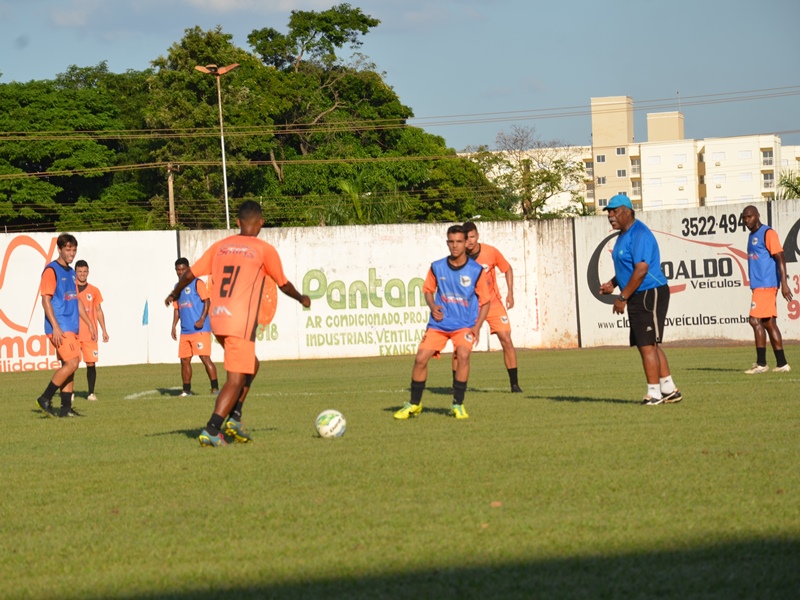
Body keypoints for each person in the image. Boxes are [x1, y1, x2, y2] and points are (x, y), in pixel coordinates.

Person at [165, 201, 310, 447]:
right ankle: (212, 429)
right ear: (261, 223)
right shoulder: (263, 250)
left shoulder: (220, 247)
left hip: (218, 321)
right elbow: (283, 284)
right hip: (239, 323)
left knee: (251, 366)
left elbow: (190, 274)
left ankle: (235, 418)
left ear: (238, 222)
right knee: (235, 379)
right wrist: (301, 297)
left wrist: (175, 292)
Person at [394, 225, 491, 420]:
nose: (455, 246)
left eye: (459, 242)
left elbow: (486, 301)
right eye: (451, 242)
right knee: (421, 358)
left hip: (464, 324)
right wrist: (432, 306)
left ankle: (458, 404)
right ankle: (414, 404)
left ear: (466, 243)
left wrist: (477, 326)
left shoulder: (476, 270)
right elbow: (428, 290)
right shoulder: (437, 266)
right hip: (439, 324)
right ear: (447, 243)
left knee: (463, 355)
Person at [598, 194, 682, 405]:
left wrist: (622, 297)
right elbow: (628, 268)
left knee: (646, 345)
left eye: (614, 211)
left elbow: (642, 269)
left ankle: (654, 394)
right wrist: (613, 283)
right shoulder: (623, 235)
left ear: (628, 211)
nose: (610, 216)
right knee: (649, 344)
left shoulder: (640, 233)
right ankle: (669, 389)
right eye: (609, 212)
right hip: (638, 292)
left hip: (649, 291)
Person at [452, 221, 523, 392]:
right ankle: (456, 386)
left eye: (472, 237)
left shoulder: (490, 252)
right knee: (460, 345)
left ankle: (514, 384)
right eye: (466, 238)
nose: (469, 241)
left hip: (492, 303)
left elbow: (507, 269)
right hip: (469, 306)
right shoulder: (458, 257)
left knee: (506, 339)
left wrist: (510, 293)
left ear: (477, 236)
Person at [36, 234, 96, 418]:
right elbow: (45, 300)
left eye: (74, 250)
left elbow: (76, 300)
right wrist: (55, 326)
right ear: (60, 249)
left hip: (72, 326)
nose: (71, 253)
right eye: (68, 249)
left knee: (68, 366)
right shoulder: (51, 271)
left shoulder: (71, 273)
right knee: (73, 362)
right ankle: (45, 397)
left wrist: (89, 323)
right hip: (60, 326)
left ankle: (65, 409)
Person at [741, 205, 793, 373]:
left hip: (766, 284)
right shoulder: (752, 236)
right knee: (768, 323)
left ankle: (762, 364)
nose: (747, 220)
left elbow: (781, 257)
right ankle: (782, 363)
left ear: (758, 216)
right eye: (744, 217)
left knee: (754, 320)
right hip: (759, 285)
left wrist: (784, 283)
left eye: (749, 216)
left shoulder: (767, 233)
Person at [170, 257, 219, 397]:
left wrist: (202, 319)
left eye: (183, 269)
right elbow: (177, 308)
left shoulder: (197, 283)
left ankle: (215, 388)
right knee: (184, 360)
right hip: (185, 331)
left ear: (188, 269)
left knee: (204, 357)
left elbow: (207, 301)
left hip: (200, 329)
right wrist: (173, 326)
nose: (180, 272)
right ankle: (186, 390)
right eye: (178, 270)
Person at [74, 260, 109, 401]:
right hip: (74, 333)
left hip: (90, 333)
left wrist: (104, 330)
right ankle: (69, 393)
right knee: (72, 364)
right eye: (79, 271)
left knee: (91, 363)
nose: (82, 274)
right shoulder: (71, 289)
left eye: (84, 271)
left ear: (88, 272)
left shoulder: (94, 290)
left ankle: (91, 393)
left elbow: (98, 311)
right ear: (75, 272)